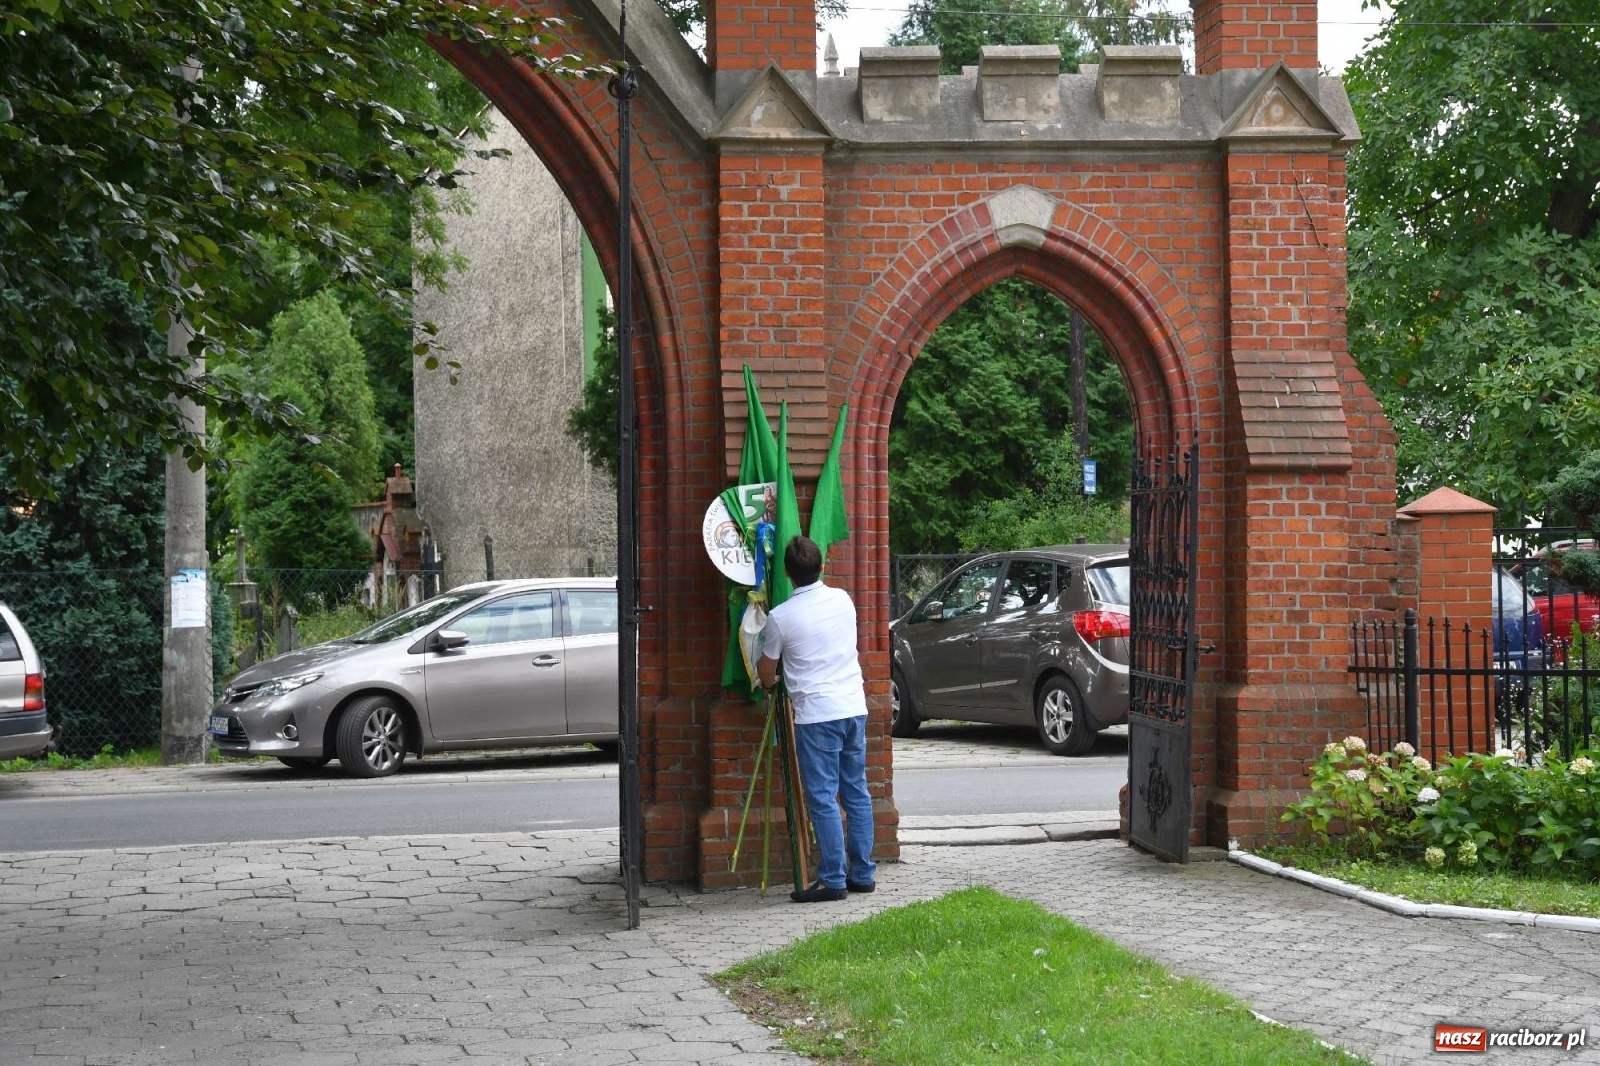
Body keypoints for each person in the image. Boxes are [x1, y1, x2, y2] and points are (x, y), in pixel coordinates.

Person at [758, 535, 876, 903]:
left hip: (816, 715)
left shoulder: (781, 617)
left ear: (788, 574)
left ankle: (832, 880)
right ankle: (863, 874)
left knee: (823, 797)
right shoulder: (842, 599)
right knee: (856, 791)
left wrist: (772, 681)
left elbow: (766, 671)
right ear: (821, 566)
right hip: (854, 706)